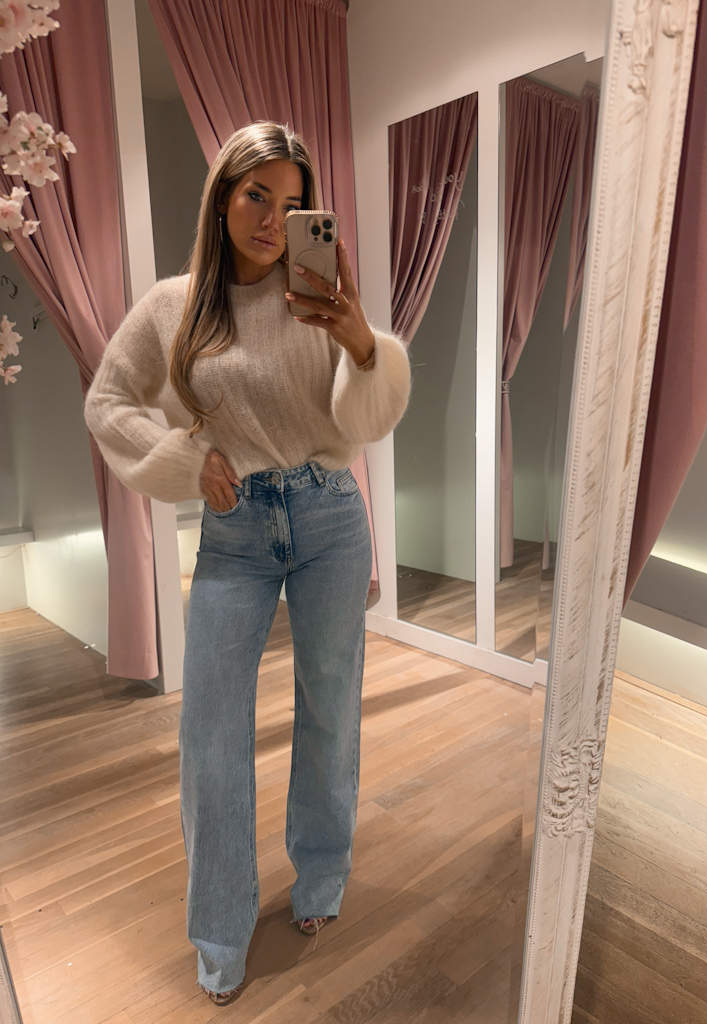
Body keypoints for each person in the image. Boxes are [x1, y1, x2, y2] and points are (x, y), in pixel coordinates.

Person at [84, 121, 411, 1006]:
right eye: (257, 195)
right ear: (223, 197)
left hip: (330, 514)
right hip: (234, 532)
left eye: (293, 203)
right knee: (211, 733)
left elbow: (367, 418)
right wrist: (187, 460)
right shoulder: (174, 306)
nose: (273, 218)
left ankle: (322, 875)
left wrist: (361, 343)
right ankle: (221, 927)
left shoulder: (318, 299)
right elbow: (109, 401)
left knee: (330, 704)